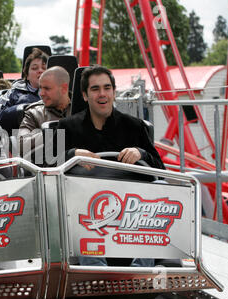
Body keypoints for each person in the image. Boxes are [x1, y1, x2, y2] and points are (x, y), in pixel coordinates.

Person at [56, 65, 165, 267]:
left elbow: (160, 169)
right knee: (85, 223)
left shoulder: (134, 126)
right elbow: (46, 165)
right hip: (86, 210)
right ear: (85, 95)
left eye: (107, 88)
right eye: (95, 89)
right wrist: (72, 155)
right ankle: (96, 276)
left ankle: (139, 276)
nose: (102, 94)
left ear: (114, 92)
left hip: (130, 211)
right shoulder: (66, 127)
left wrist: (141, 153)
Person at [17, 66, 72, 162]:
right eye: (40, 88)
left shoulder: (84, 108)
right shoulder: (34, 113)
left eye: (47, 88)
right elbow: (20, 145)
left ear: (64, 88)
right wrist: (52, 133)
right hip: (49, 170)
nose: (41, 93)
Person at [0, 48, 48, 135]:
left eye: (44, 67)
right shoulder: (13, 94)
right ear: (27, 75)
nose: (40, 70)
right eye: (35, 68)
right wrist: (21, 109)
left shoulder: (61, 95)